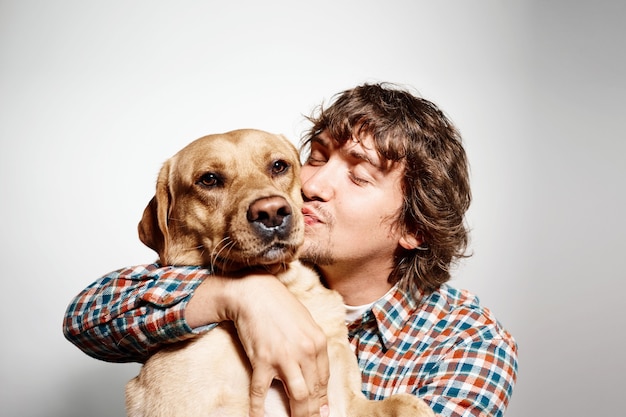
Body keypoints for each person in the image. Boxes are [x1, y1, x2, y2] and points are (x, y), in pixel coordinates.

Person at [63, 82, 518, 417]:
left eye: (359, 176)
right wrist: (242, 296)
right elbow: (86, 315)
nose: (311, 185)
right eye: (315, 158)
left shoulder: (468, 341)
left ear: (414, 228)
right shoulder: (245, 267)